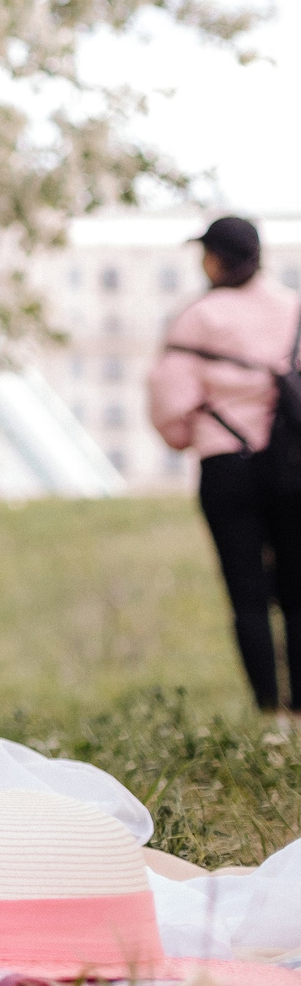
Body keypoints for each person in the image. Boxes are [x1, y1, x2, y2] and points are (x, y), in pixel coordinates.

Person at [149, 215, 301, 729]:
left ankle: (270, 713)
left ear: (215, 258)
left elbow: (172, 409)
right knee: (298, 591)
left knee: (247, 593)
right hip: (292, 468)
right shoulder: (293, 308)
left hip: (226, 467)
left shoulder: (196, 317)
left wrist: (193, 432)